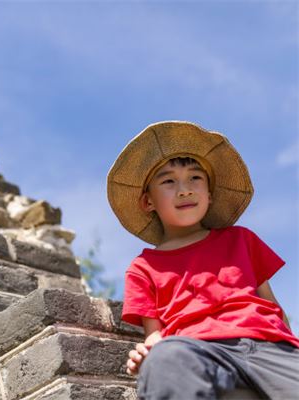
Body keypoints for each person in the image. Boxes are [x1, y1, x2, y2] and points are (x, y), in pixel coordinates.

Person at [106, 121, 299, 399]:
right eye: (169, 181)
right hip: (198, 349)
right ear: (148, 202)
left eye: (195, 178)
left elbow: (272, 307)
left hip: (269, 345)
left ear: (209, 193)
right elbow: (154, 334)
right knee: (165, 358)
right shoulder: (143, 268)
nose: (185, 189)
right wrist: (149, 353)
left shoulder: (241, 239)